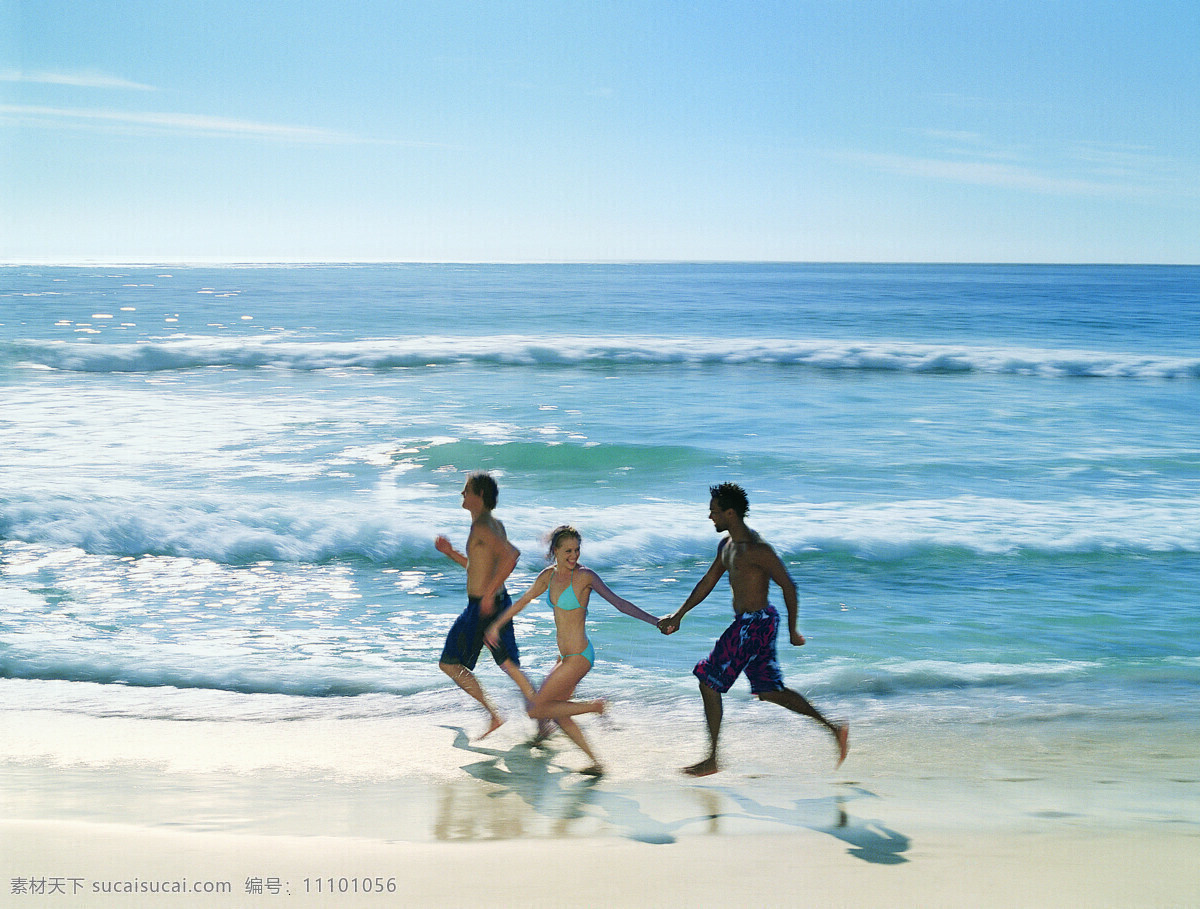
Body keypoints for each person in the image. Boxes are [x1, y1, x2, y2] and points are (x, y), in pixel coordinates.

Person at [658, 483, 849, 776]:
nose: (710, 517)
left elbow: (788, 585)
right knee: (771, 691)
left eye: (714, 511)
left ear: (730, 513)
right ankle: (833, 729)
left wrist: (793, 630)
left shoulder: (758, 550)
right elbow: (708, 581)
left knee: (708, 681)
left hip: (755, 624)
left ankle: (712, 759)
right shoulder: (727, 547)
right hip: (756, 624)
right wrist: (680, 614)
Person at [485, 525, 660, 775]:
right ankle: (596, 763)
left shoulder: (585, 576)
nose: (574, 556)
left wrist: (656, 621)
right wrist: (496, 625)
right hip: (565, 657)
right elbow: (523, 600)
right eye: (568, 550)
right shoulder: (548, 576)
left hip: (579, 657)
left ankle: (594, 707)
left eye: (577, 550)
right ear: (555, 551)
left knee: (536, 709)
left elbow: (619, 603)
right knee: (558, 711)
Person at [435, 472, 543, 740]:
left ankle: (499, 714)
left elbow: (512, 555)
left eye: (466, 490)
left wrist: (487, 595)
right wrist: (451, 554)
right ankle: (543, 715)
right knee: (507, 663)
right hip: (493, 603)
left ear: (479, 495)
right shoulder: (491, 524)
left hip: (484, 607)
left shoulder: (483, 527)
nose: (462, 494)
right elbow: (480, 569)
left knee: (450, 663)